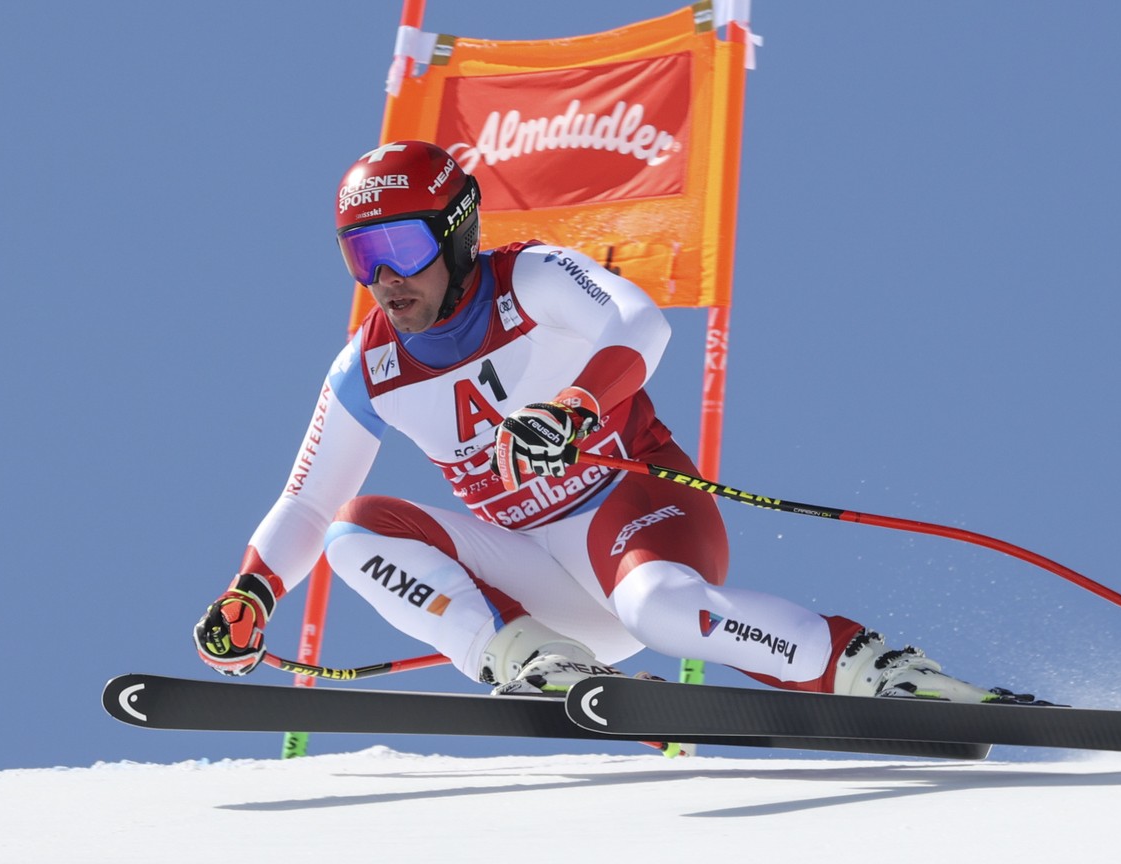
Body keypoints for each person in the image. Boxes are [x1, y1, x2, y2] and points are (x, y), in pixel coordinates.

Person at [193, 139, 1043, 706]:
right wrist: (252, 593)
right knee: (352, 533)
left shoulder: (530, 276)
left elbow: (641, 323)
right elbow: (305, 506)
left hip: (636, 512)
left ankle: (876, 673)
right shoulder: (368, 365)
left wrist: (575, 406)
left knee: (662, 613)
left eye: (400, 251)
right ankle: (528, 661)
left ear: (456, 235)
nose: (384, 281)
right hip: (541, 579)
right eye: (361, 258)